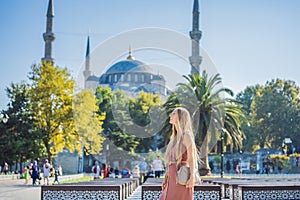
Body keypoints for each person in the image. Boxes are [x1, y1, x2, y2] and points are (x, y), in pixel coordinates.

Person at [159, 107, 199, 200]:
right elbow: (170, 161)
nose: (170, 115)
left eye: (173, 113)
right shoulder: (174, 138)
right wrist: (166, 178)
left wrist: (192, 176)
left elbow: (191, 157)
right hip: (171, 178)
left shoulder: (186, 135)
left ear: (181, 117)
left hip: (181, 177)